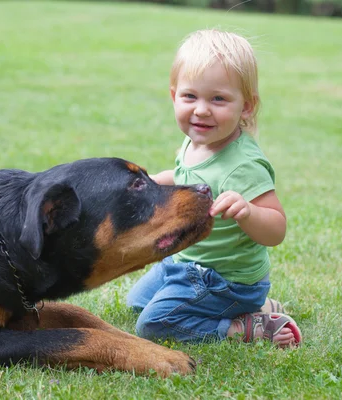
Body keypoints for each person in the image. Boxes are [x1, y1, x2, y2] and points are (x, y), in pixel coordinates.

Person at [126, 29, 301, 347]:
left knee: (153, 325)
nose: (202, 110)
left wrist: (248, 212)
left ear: (246, 107)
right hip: (185, 261)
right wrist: (150, 183)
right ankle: (254, 309)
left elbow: (276, 230)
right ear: (174, 96)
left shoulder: (242, 166)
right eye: (190, 96)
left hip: (224, 280)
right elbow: (183, 177)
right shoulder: (196, 138)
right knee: (136, 300)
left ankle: (243, 326)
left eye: (218, 99)